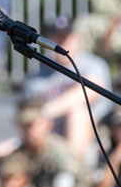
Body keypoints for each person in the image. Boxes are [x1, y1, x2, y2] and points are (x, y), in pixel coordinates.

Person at [22, 15, 113, 168]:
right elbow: (31, 116)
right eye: (57, 37)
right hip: (49, 138)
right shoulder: (36, 78)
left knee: (77, 113)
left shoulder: (93, 64)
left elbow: (92, 89)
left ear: (77, 38)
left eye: (66, 37)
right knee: (2, 150)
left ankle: (73, 172)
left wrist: (47, 111)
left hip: (96, 138)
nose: (62, 42)